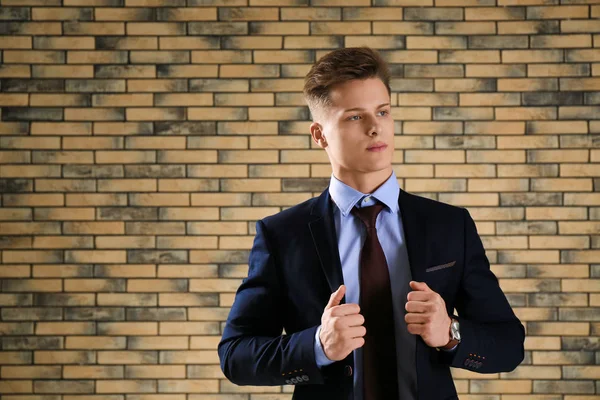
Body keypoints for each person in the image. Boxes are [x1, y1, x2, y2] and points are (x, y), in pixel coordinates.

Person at [218, 47, 525, 400]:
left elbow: (508, 344)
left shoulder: (450, 224)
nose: (375, 127)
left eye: (383, 112)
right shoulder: (282, 234)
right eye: (354, 117)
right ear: (319, 135)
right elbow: (235, 356)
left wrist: (451, 332)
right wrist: (317, 345)